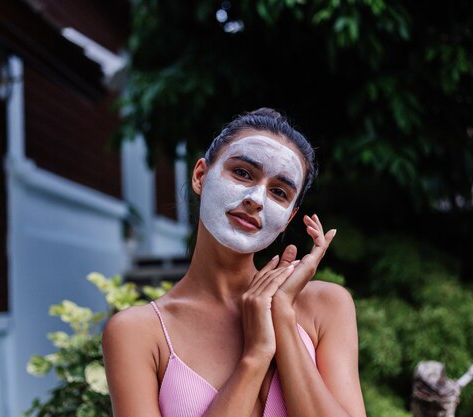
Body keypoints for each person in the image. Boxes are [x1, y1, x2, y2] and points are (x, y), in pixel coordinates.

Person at [102, 108, 366, 417]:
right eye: (242, 173)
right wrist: (255, 356)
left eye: (279, 192)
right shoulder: (138, 332)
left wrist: (281, 317)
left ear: (288, 218)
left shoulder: (325, 306)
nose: (256, 198)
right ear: (200, 176)